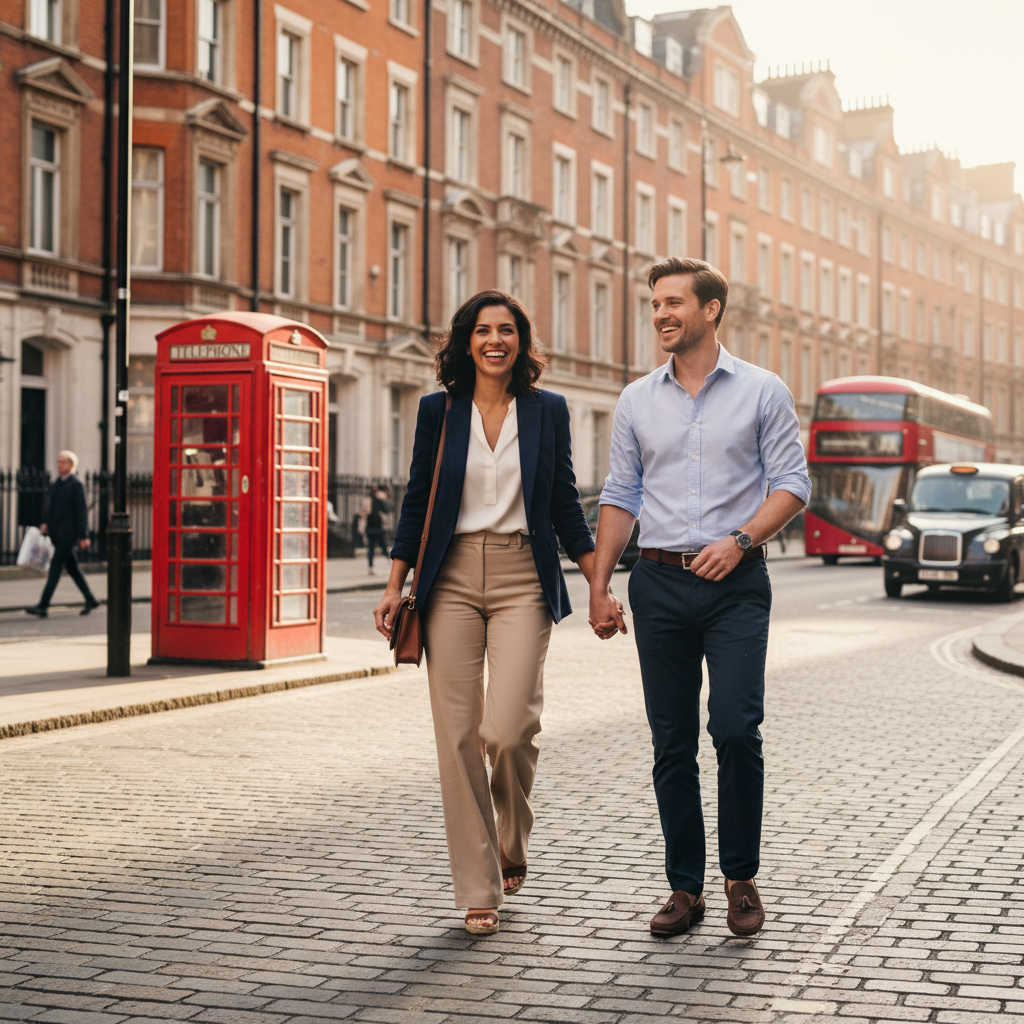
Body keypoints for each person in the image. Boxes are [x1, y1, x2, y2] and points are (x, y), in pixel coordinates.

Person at [588, 258, 810, 938]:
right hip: (656, 583)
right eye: (655, 302)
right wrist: (599, 585)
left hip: (736, 585)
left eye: (675, 302)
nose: (661, 313)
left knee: (737, 730)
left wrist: (740, 540)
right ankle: (685, 888)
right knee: (671, 740)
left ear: (712, 310)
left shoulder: (763, 391)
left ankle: (740, 876)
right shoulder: (636, 400)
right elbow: (621, 494)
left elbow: (793, 484)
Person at [373, 289, 595, 937]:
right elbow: (416, 501)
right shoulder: (438, 412)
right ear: (465, 341)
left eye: (507, 330)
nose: (494, 340)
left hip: (525, 572)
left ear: (521, 341)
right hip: (450, 579)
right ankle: (479, 886)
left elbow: (563, 505)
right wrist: (394, 585)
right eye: (482, 330)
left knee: (508, 729)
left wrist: (599, 581)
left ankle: (512, 834)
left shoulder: (548, 411)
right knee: (459, 734)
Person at [26, 450, 100, 618]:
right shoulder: (56, 484)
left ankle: (43, 606)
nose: (59, 465)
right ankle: (91, 599)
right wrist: (45, 523)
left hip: (69, 535)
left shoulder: (76, 485)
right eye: (58, 462)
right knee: (73, 568)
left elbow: (82, 513)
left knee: (54, 569)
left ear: (71, 465)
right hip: (56, 533)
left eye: (63, 462)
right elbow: (51, 509)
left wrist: (84, 536)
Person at [365, 486, 390, 575]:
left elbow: (365, 512)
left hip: (370, 527)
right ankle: (390, 564)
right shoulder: (379, 501)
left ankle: (371, 567)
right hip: (377, 528)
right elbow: (386, 510)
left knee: (371, 548)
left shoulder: (368, 501)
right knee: (383, 547)